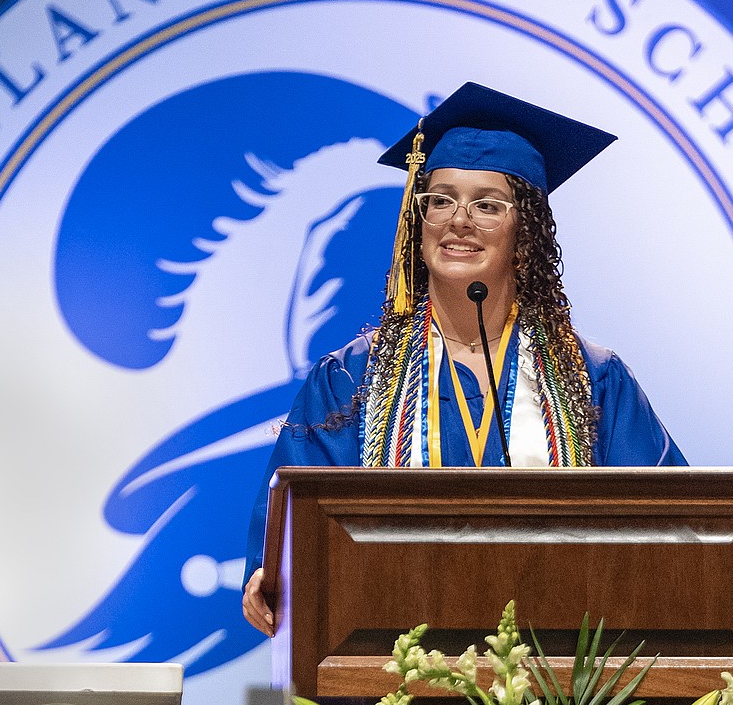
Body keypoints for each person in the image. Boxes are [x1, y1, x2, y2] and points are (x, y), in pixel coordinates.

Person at [242, 81, 685, 634]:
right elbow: (294, 526)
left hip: (557, 665)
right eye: (440, 200)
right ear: (418, 220)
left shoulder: (591, 379)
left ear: (526, 232)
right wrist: (272, 573)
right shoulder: (352, 378)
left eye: (488, 205)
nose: (459, 220)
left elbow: (669, 525)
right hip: (393, 661)